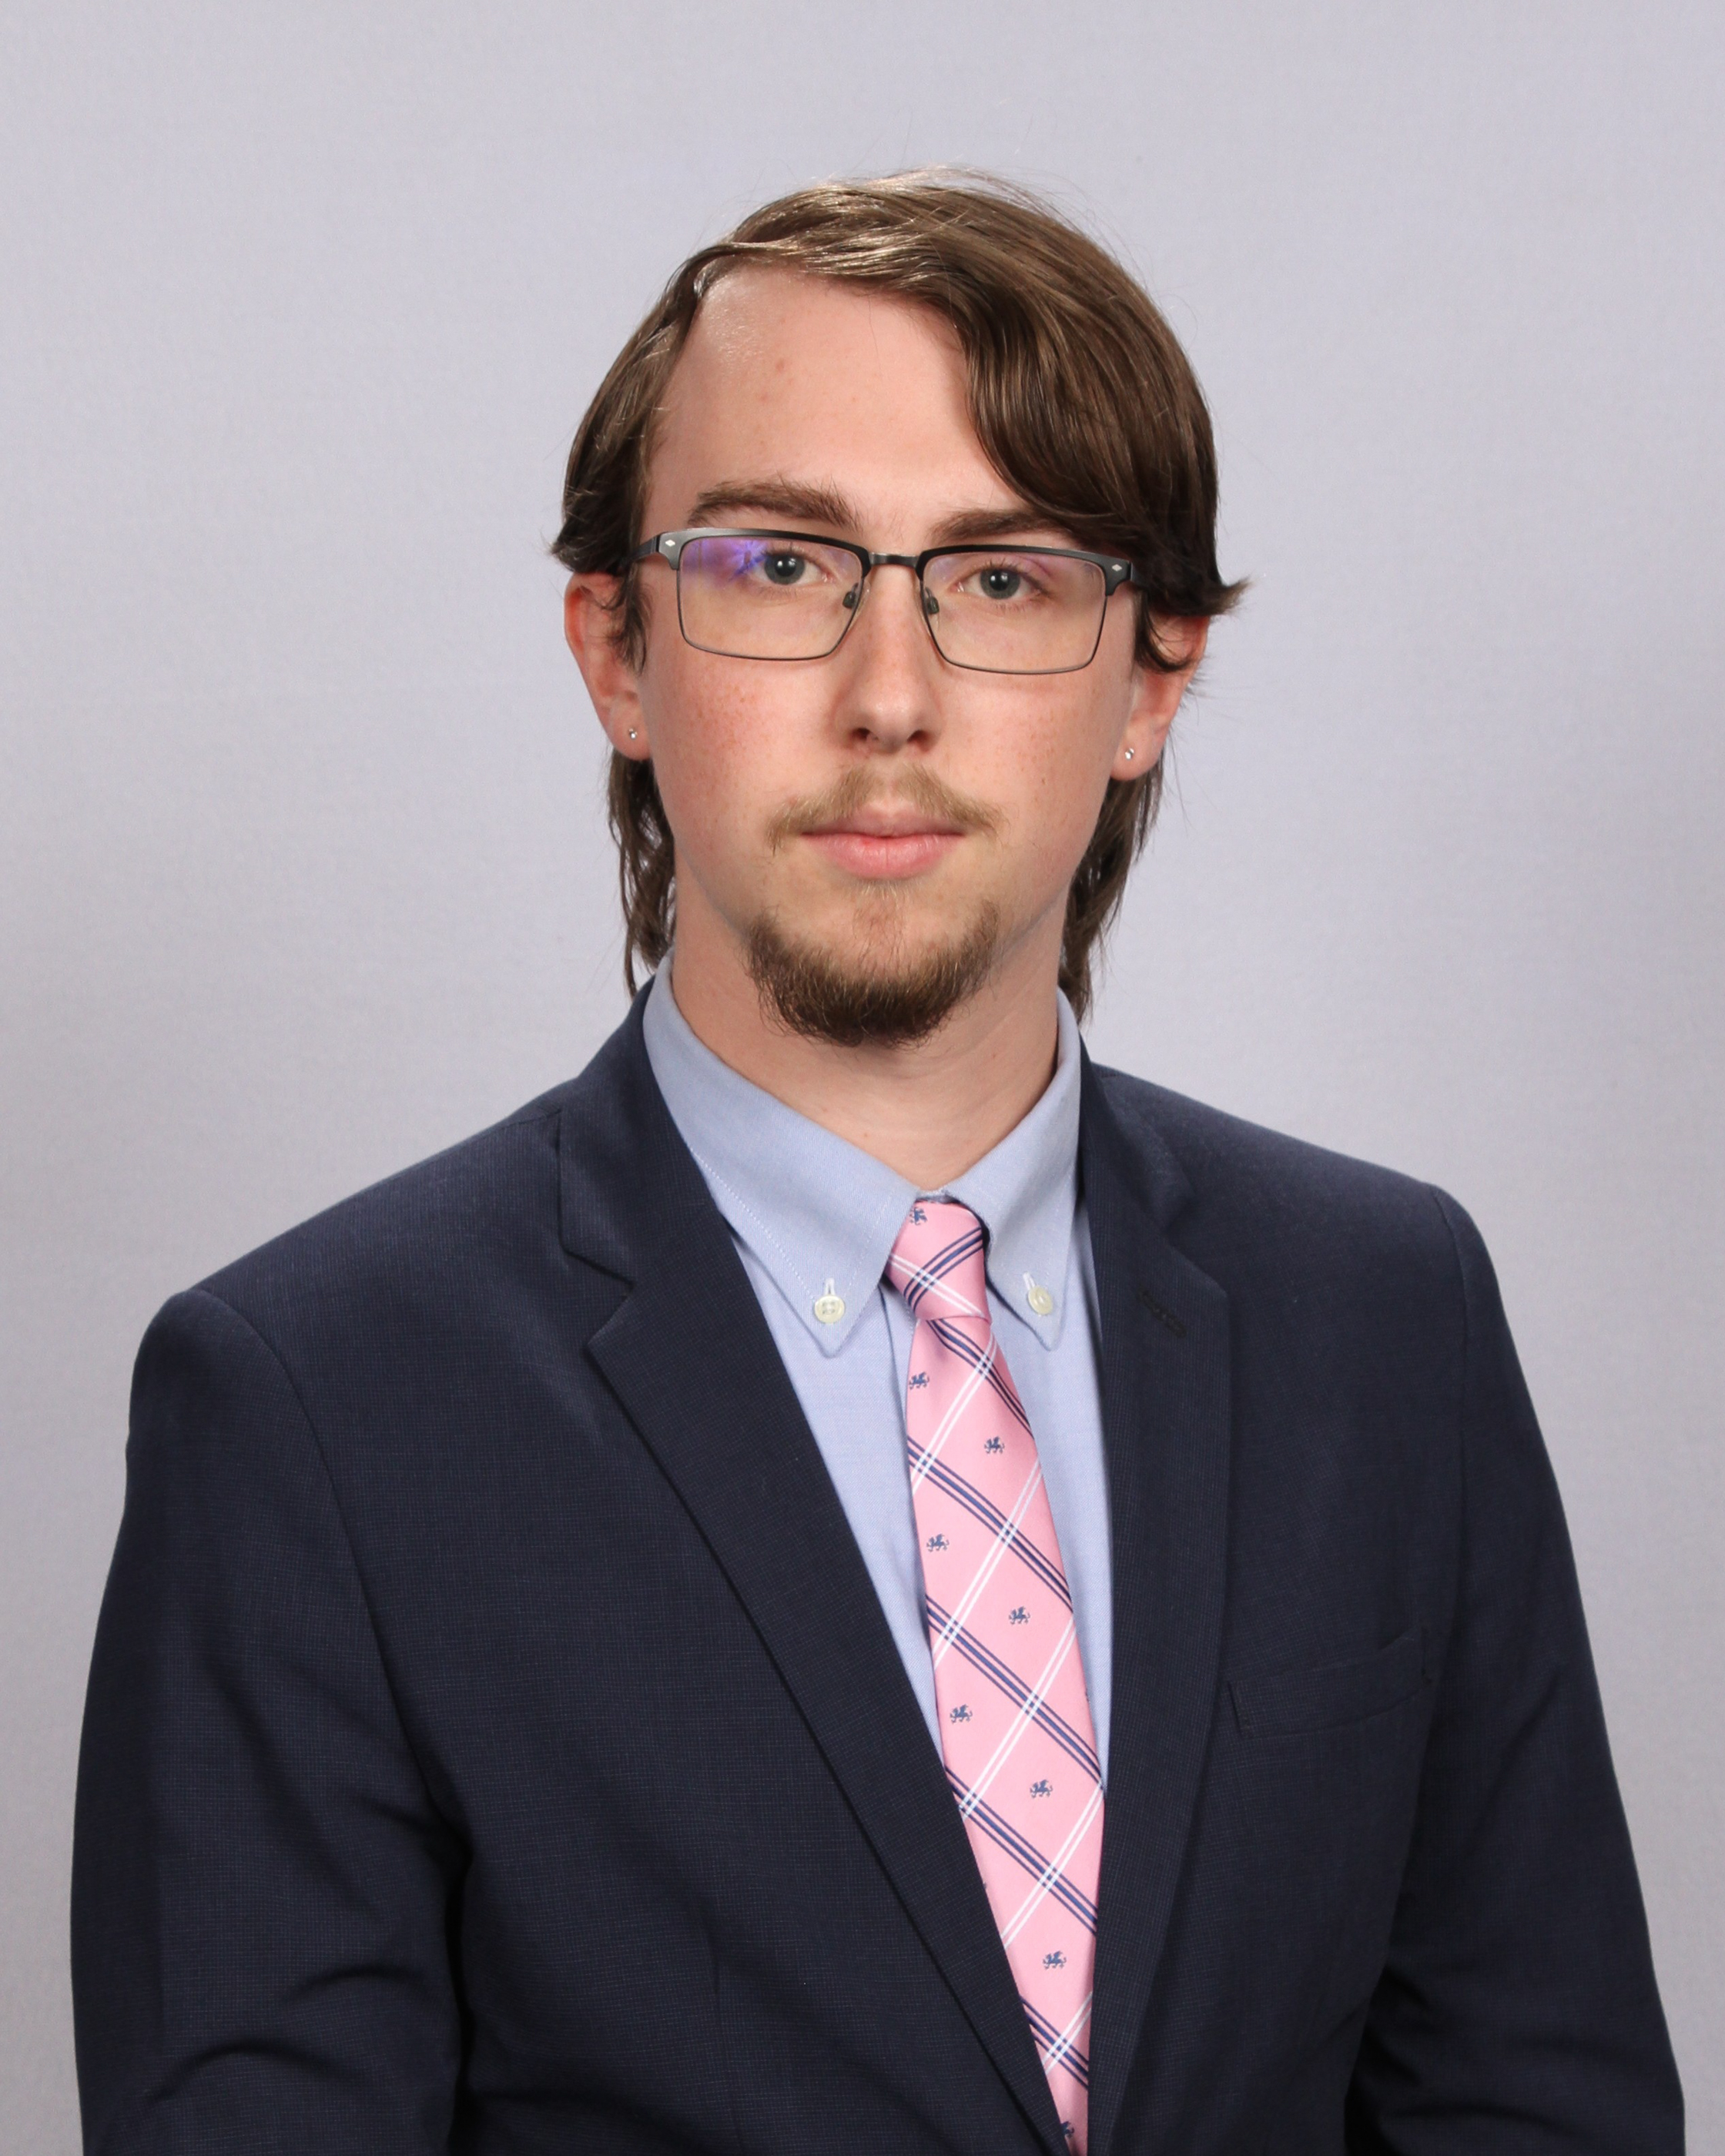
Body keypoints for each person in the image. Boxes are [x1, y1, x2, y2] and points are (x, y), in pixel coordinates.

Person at [71, 172, 1681, 2156]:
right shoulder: (311, 1408)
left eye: (1002, 578)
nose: (891, 698)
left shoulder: (1389, 1316)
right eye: (778, 565)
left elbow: (1540, 2105)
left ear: (1152, 675)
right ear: (619, 652)